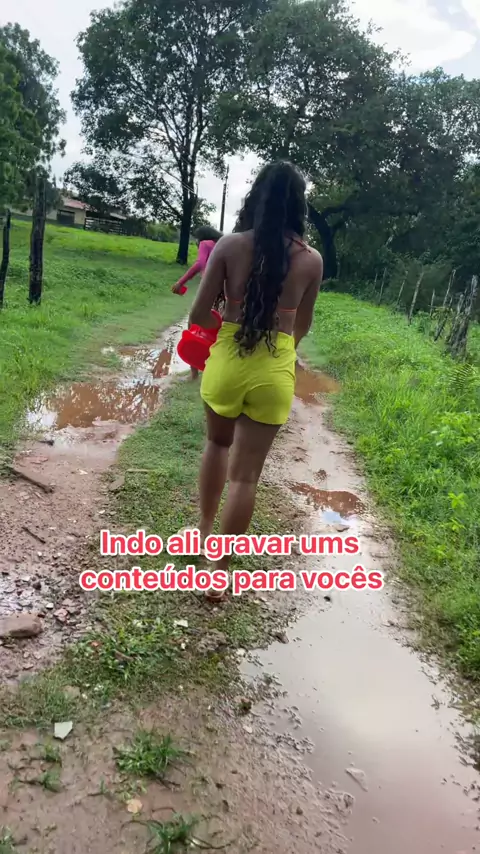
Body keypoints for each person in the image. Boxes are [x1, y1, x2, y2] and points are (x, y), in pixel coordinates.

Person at [187, 161, 323, 601]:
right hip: (274, 368)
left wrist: (229, 325)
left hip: (228, 358)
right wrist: (280, 348)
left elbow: (198, 314)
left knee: (216, 445)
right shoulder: (312, 260)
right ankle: (219, 573)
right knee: (245, 478)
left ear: (256, 198)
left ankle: (202, 531)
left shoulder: (229, 246)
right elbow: (301, 327)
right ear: (299, 205)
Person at [172, 225, 223, 381]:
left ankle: (194, 373)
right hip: (225, 292)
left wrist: (180, 282)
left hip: (210, 290)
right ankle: (216, 371)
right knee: (219, 331)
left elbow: (200, 264)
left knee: (193, 325)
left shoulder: (205, 243)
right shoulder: (222, 244)